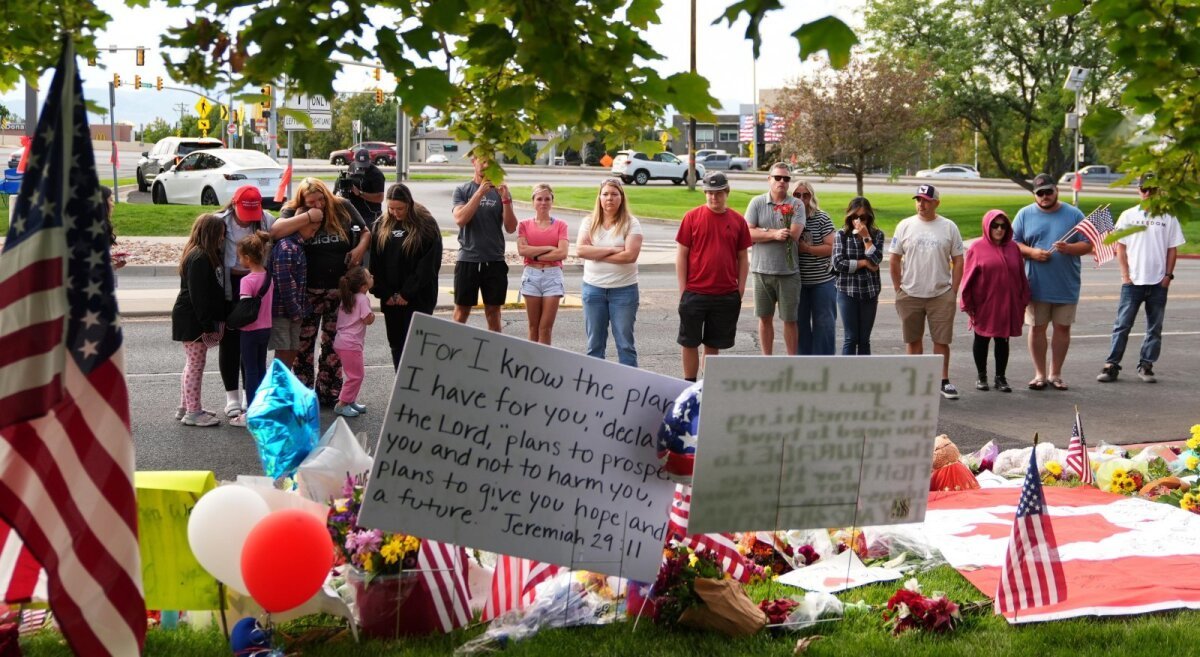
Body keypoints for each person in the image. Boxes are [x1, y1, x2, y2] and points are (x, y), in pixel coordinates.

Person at [280, 178, 371, 406]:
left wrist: (360, 249)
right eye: (311, 202)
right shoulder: (293, 210)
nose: (318, 205)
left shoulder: (342, 206)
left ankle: (329, 392)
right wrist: (307, 216)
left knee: (334, 343)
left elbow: (365, 232)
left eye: (321, 199)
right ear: (302, 201)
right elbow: (275, 231)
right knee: (304, 344)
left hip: (339, 289)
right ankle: (303, 393)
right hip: (307, 290)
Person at [1097, 174, 1186, 383]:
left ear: (1158, 191)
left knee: (1154, 327)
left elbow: (1172, 249)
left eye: (1152, 189)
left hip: (1158, 282)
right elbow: (1121, 247)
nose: (1147, 193)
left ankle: (1146, 365)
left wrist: (1167, 276)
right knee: (1122, 325)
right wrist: (1125, 276)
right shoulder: (1128, 216)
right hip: (1133, 282)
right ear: (1138, 190)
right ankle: (1112, 365)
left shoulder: (1168, 217)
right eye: (1144, 189)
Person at [1012, 173, 1092, 391]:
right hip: (1035, 285)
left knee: (1062, 329)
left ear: (1056, 190)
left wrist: (1069, 248)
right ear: (1034, 195)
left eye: (1048, 191)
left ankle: (1055, 374)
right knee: (1037, 328)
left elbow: (1088, 244)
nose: (1044, 196)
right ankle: (1039, 374)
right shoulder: (1024, 214)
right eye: (1040, 193)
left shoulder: (1074, 214)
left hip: (1066, 284)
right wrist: (1032, 252)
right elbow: (1013, 243)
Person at [889, 184, 965, 399]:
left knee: (941, 340)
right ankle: (915, 380)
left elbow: (958, 260)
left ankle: (942, 380)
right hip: (910, 293)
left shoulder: (949, 227)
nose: (921, 204)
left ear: (936, 203)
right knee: (913, 340)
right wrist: (898, 288)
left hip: (940, 294)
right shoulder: (905, 225)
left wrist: (953, 290)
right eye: (918, 200)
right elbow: (894, 259)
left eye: (926, 201)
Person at [675, 172, 752, 382]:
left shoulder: (738, 221)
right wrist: (683, 291)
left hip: (725, 294)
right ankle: (689, 385)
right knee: (689, 342)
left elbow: (743, 258)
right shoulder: (692, 217)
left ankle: (706, 386)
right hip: (694, 292)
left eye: (718, 193)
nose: (713, 197)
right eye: (709, 192)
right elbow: (681, 255)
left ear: (727, 192)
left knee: (713, 343)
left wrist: (740, 289)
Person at [369, 183, 443, 368]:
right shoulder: (380, 225)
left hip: (419, 297)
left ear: (409, 204)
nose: (395, 213)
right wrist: (384, 293)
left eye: (400, 209)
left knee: (417, 346)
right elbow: (375, 264)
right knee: (396, 344)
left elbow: (429, 264)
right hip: (391, 299)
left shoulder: (426, 224)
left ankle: (417, 381)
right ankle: (400, 380)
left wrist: (407, 293)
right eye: (391, 208)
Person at [960, 210, 1030, 393]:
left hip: (1007, 303)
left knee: (1003, 340)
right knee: (982, 339)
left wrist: (1023, 298)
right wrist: (967, 303)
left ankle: (1000, 377)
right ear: (987, 226)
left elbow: (1021, 275)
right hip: (984, 303)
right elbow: (967, 278)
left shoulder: (1013, 248)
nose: (999, 229)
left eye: (1003, 226)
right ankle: (981, 376)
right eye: (994, 225)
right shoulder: (977, 248)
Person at [576, 178, 643, 367]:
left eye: (614, 194)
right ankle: (594, 381)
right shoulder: (589, 222)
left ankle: (629, 383)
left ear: (621, 197)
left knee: (625, 344)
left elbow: (630, 256)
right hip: (593, 289)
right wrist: (613, 250)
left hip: (624, 291)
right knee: (594, 345)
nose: (609, 198)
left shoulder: (631, 223)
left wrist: (596, 253)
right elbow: (581, 250)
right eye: (605, 194)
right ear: (599, 197)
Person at [171, 214, 226, 427]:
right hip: (193, 320)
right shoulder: (200, 258)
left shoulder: (200, 254)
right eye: (221, 233)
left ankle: (186, 406)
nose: (223, 237)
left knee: (192, 364)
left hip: (191, 318)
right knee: (195, 365)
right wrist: (208, 325)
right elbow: (199, 297)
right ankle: (193, 412)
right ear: (211, 233)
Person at [451, 155, 518, 331]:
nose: (486, 165)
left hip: (494, 260)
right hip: (468, 260)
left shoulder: (500, 191)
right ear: (473, 162)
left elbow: (511, 227)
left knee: (494, 313)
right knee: (461, 312)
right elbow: (460, 219)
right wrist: (479, 193)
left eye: (490, 162)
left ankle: (494, 348)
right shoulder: (462, 190)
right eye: (482, 160)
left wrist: (506, 199)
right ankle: (452, 346)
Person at [745, 163, 805, 355]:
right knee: (764, 318)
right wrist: (773, 234)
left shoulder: (797, 204)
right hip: (761, 271)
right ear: (769, 179)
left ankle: (791, 361)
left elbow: (793, 234)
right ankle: (767, 360)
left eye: (786, 178)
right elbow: (747, 233)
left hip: (788, 273)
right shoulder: (757, 203)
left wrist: (760, 232)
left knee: (790, 320)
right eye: (777, 177)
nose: (782, 181)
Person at [830, 197, 885, 355]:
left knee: (864, 339)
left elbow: (876, 260)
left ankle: (864, 371)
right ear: (849, 217)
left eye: (863, 217)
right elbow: (838, 263)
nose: (858, 221)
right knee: (851, 337)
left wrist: (866, 237)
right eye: (855, 217)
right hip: (847, 290)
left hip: (870, 291)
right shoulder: (842, 234)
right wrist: (864, 263)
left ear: (869, 217)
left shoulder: (877, 235)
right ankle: (847, 371)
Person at [517, 183, 569, 345]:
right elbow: (522, 250)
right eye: (539, 199)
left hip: (552, 276)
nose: (543, 202)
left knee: (545, 328)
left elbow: (562, 253)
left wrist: (535, 254)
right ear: (533, 201)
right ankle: (531, 359)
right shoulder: (524, 225)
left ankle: (544, 359)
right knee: (533, 327)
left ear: (552, 201)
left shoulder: (561, 225)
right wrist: (549, 248)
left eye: (547, 199)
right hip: (531, 276)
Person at [268, 211, 320, 372]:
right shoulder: (288, 247)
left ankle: (284, 384)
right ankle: (277, 386)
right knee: (283, 352)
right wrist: (296, 311)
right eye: (312, 229)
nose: (313, 234)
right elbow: (285, 283)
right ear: (301, 224)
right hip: (283, 311)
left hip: (292, 310)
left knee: (292, 349)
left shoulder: (296, 246)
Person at [791, 180, 837, 355]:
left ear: (811, 196)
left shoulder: (821, 217)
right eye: (797, 195)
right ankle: (803, 363)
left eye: (806, 195)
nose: (802, 198)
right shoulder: (786, 217)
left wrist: (807, 249)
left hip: (822, 281)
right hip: (796, 282)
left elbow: (832, 247)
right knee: (799, 324)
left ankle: (824, 363)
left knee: (825, 324)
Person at [234, 231, 274, 424]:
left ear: (248, 258)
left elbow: (244, 309)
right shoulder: (269, 277)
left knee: (250, 371)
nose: (239, 260)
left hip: (250, 331)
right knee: (260, 369)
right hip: (266, 328)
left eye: (240, 257)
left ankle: (251, 412)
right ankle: (263, 408)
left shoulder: (247, 281)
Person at [332, 266, 375, 418]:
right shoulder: (363, 299)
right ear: (363, 286)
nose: (372, 277)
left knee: (354, 374)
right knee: (356, 376)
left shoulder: (348, 298)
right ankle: (342, 404)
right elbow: (367, 319)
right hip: (351, 344)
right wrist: (372, 316)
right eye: (369, 276)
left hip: (342, 341)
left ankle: (350, 401)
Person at [345, 148, 386, 222]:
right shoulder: (352, 166)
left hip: (370, 215)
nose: (362, 167)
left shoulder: (377, 175)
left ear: (370, 160)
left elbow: (380, 198)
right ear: (354, 160)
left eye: (364, 164)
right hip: (353, 212)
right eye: (359, 164)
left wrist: (360, 193)